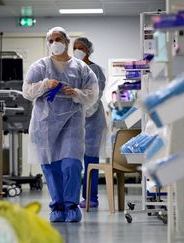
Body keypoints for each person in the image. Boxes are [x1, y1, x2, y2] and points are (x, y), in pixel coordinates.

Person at [22, 27, 98, 222]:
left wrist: (77, 93)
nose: (54, 43)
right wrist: (45, 85)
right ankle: (57, 207)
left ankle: (71, 206)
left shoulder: (81, 68)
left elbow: (92, 93)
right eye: (51, 40)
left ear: (66, 41)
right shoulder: (39, 67)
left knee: (72, 164)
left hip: (72, 122)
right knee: (51, 166)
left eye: (58, 39)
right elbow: (27, 92)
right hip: (46, 124)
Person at [73, 37, 107, 208]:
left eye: (80, 48)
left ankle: (91, 197)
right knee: (72, 162)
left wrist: (81, 112)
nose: (77, 50)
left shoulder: (95, 70)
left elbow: (94, 98)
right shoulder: (72, 69)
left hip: (92, 122)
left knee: (90, 162)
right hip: (75, 122)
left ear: (88, 50)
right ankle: (72, 197)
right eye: (74, 47)